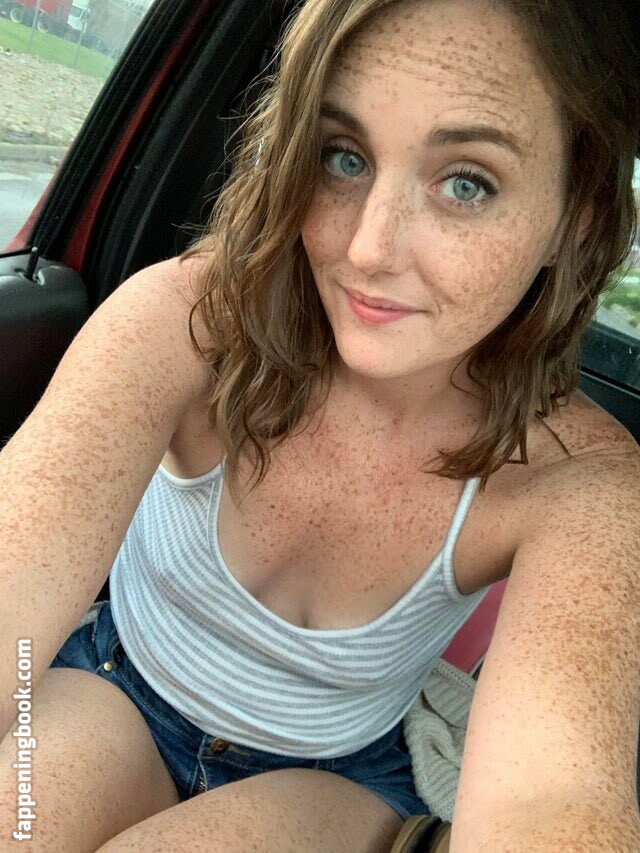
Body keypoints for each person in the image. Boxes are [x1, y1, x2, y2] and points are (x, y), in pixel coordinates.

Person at [1, 0, 639, 849]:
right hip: (123, 681)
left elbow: (555, 798)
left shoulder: (579, 481)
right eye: (343, 156)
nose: (369, 247)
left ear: (575, 218)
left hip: (333, 776)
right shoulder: (186, 322)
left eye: (465, 183)